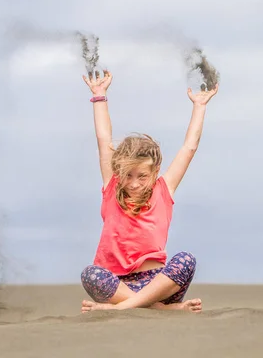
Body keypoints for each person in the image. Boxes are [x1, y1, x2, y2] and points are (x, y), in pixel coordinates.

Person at [80, 69, 218, 313]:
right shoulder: (112, 187)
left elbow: (189, 147)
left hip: (158, 283)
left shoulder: (163, 189)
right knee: (90, 274)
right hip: (117, 285)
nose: (134, 183)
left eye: (142, 176)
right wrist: (99, 95)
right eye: (128, 176)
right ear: (118, 172)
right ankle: (160, 309)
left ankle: (127, 308)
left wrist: (200, 105)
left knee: (186, 260)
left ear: (154, 173)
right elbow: (104, 140)